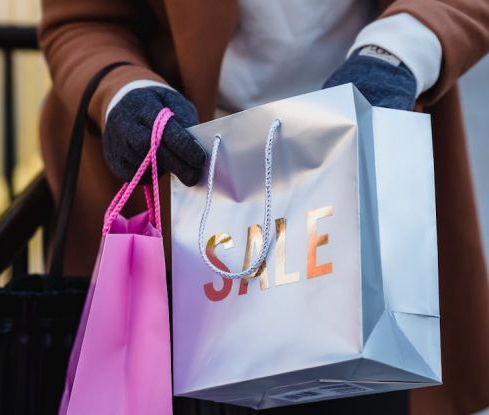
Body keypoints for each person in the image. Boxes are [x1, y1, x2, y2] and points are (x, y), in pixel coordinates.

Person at [37, 1, 489, 414]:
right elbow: (84, 20)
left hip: (360, 188)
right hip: (186, 199)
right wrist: (122, 91)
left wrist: (394, 54)